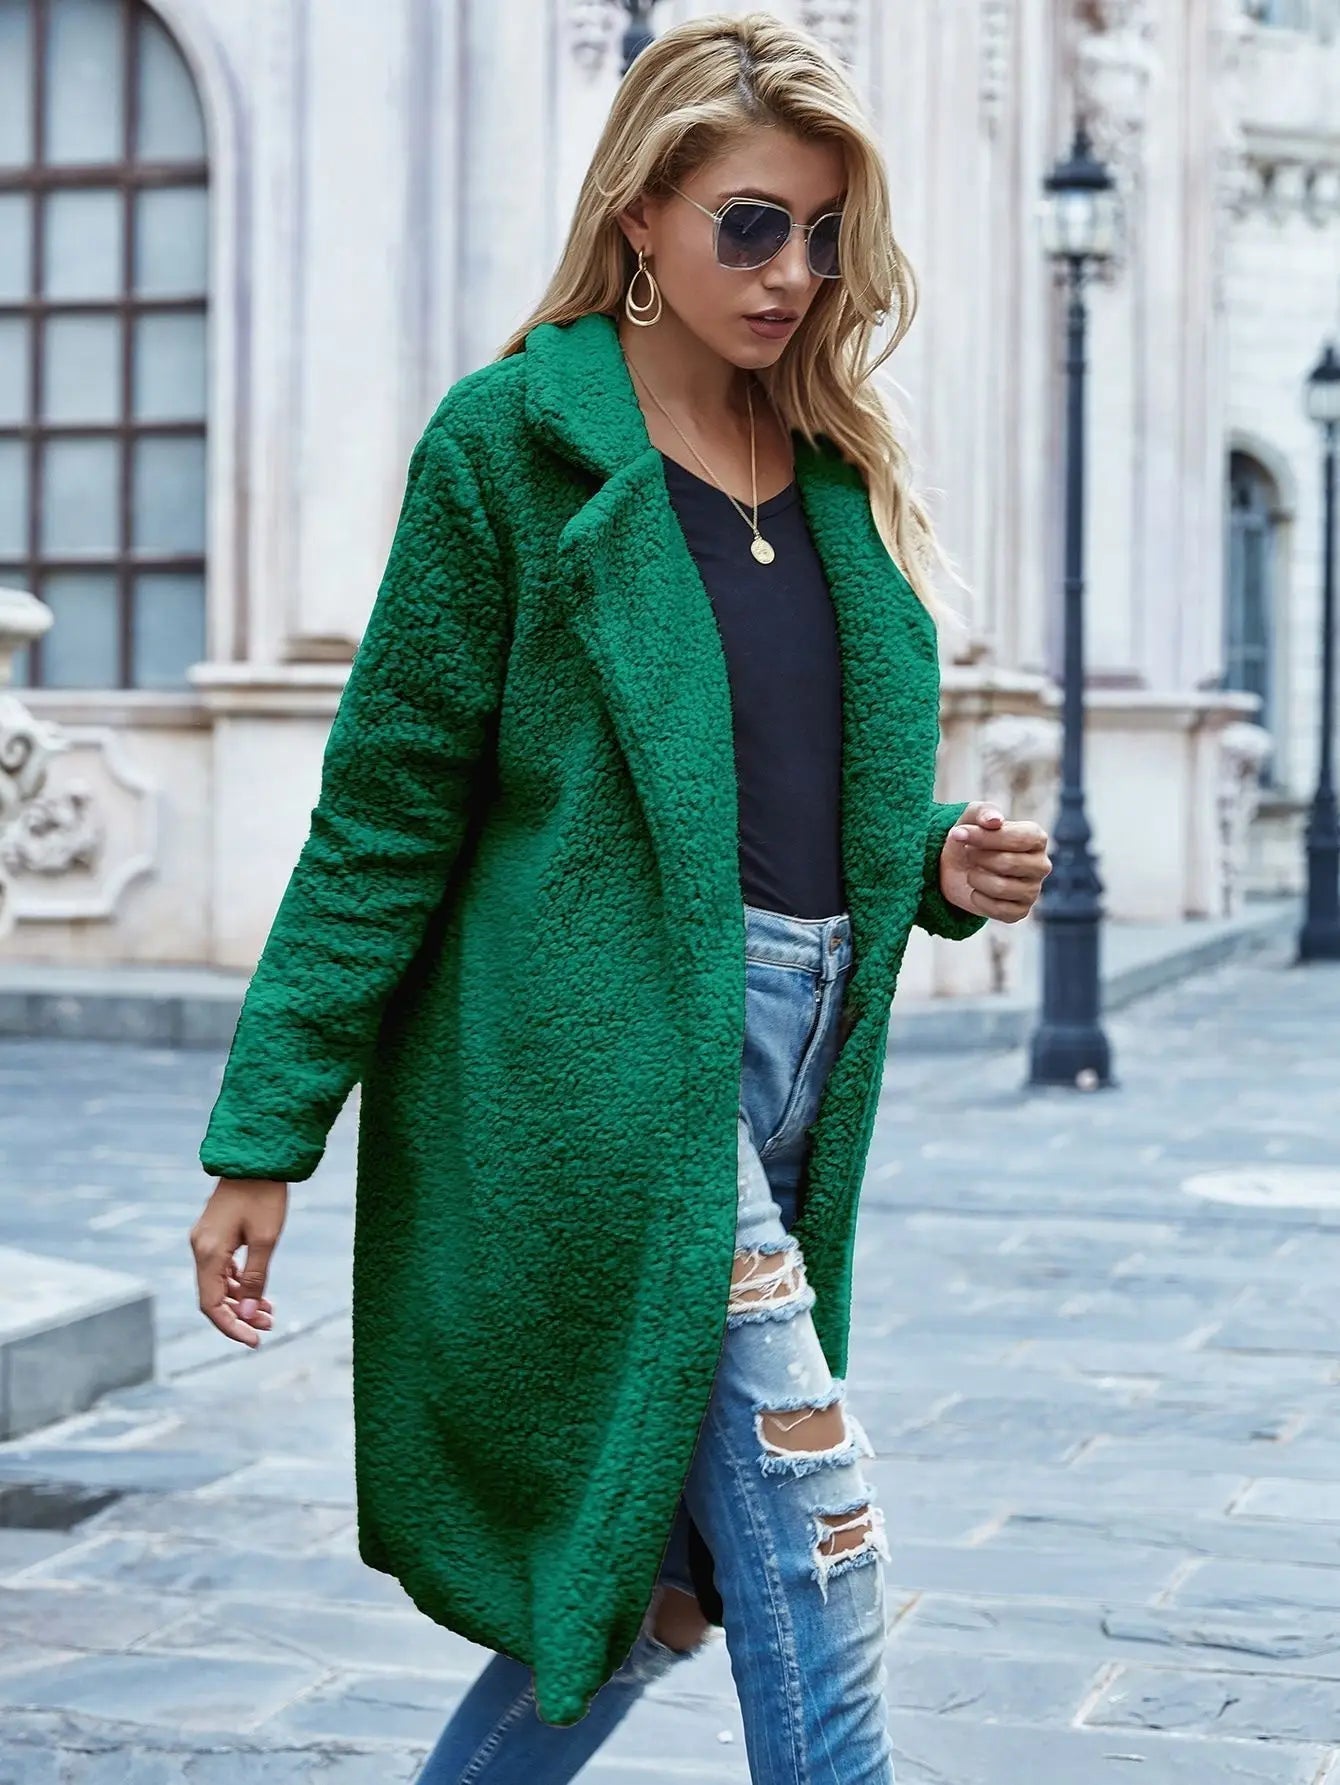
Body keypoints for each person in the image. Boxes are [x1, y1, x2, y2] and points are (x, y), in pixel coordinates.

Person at [188, 11, 1051, 1780]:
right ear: (642, 213)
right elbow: (385, 817)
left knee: (655, 1585)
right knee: (816, 1527)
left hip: (804, 1042)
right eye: (753, 223)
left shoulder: (826, 461)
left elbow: (776, 780)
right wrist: (267, 1133)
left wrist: (934, 861)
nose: (794, 272)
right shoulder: (511, 447)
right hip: (614, 1065)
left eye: (825, 234)